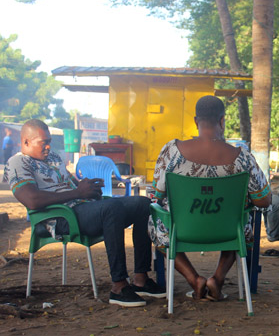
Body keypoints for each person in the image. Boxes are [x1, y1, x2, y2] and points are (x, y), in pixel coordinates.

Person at [3, 119, 163, 307]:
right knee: (112, 208)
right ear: (26, 142)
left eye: (49, 141)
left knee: (142, 204)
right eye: (42, 142)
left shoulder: (53, 157)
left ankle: (140, 279)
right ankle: (119, 286)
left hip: (81, 208)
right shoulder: (17, 163)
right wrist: (78, 193)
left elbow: (71, 183)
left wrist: (87, 187)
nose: (47, 146)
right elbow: (31, 199)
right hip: (58, 218)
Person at [150, 95, 271, 301]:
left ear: (196, 121)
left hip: (183, 229)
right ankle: (218, 278)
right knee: (244, 222)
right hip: (228, 230)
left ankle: (193, 279)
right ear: (222, 120)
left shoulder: (171, 151)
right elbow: (263, 201)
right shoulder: (243, 157)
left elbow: (157, 195)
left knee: (155, 224)